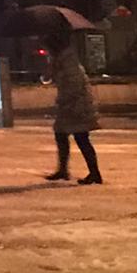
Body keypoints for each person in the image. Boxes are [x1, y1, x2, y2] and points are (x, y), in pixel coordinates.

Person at [42, 32, 102, 186]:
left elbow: (73, 85)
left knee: (81, 137)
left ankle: (94, 173)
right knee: (62, 134)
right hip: (70, 105)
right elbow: (48, 79)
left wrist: (63, 100)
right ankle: (64, 170)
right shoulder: (60, 60)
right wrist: (50, 69)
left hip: (77, 105)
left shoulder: (69, 62)